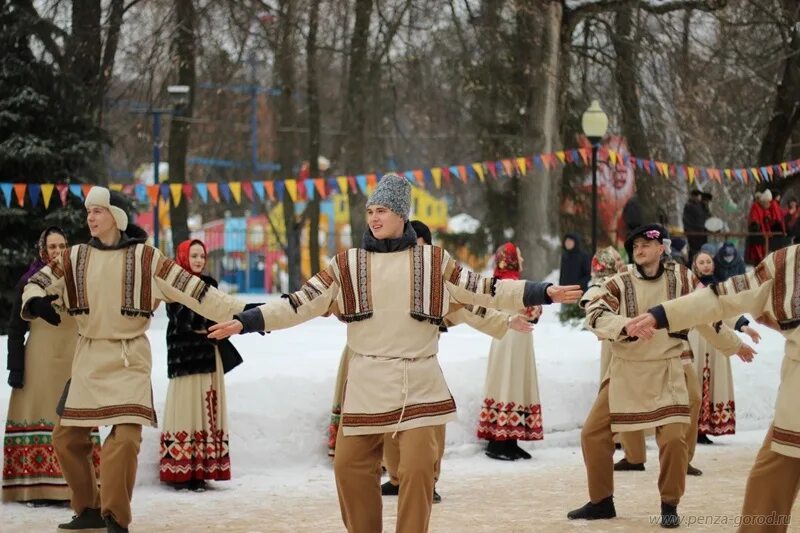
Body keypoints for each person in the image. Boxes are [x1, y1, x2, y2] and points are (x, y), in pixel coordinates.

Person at [209, 173, 581, 533]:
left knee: (418, 470)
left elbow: (484, 289)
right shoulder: (346, 264)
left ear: (402, 215)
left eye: (383, 210)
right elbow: (298, 303)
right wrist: (248, 321)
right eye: (370, 210)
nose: (374, 217)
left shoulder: (435, 262)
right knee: (349, 466)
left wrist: (540, 291)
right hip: (367, 382)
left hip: (419, 381)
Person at [20, 187, 249, 533]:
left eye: (97, 211)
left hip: (130, 359)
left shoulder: (147, 259)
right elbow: (37, 281)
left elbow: (196, 291)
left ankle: (114, 516)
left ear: (116, 216)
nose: (90, 218)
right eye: (88, 212)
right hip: (89, 356)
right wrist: (36, 300)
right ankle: (88, 508)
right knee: (66, 437)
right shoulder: (74, 256)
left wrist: (247, 313)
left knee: (125, 440)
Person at [568, 224, 755, 528]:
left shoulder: (681, 278)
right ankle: (601, 501)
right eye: (635, 246)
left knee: (673, 440)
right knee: (592, 433)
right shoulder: (620, 281)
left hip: (667, 368)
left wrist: (735, 343)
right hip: (627, 369)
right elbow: (595, 313)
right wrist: (625, 326)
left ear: (660, 248)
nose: (639, 250)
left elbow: (707, 310)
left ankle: (669, 504)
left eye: (645, 244)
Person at [625, 245, 800, 533]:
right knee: (770, 478)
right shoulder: (788, 262)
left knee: (770, 474)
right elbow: (723, 298)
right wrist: (664, 314)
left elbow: (723, 302)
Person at [3, 228, 101, 505]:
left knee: (72, 420)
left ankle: (77, 487)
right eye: (52, 247)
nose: (58, 252)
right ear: (43, 251)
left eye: (62, 246)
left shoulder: (79, 283)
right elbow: (14, 329)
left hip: (72, 362)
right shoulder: (29, 282)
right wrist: (16, 368)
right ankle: (35, 487)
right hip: (38, 363)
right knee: (40, 415)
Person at [159, 239, 253, 491]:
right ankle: (182, 470)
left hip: (209, 356)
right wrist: (214, 320)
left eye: (202, 255)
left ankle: (202, 469)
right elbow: (187, 319)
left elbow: (221, 316)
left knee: (207, 411)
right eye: (194, 255)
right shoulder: (174, 285)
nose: (199, 260)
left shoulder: (210, 286)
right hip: (185, 358)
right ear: (183, 257)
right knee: (187, 410)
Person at [478, 243, 544, 461]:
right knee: (512, 382)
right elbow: (534, 310)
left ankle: (506, 440)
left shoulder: (497, 283)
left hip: (505, 339)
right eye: (520, 255)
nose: (522, 259)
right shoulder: (514, 284)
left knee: (506, 383)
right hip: (514, 340)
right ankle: (501, 443)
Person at [690, 252, 760, 445]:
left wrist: (744, 326)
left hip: (717, 341)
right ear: (695, 266)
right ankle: (692, 428)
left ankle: (705, 428)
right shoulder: (688, 287)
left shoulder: (720, 288)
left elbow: (728, 312)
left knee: (713, 379)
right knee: (694, 382)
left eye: (708, 262)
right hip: (695, 340)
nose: (705, 265)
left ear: (713, 265)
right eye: (701, 262)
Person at [683, 189, 708, 261]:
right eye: (696, 196)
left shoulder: (702, 206)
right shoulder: (689, 206)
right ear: (693, 196)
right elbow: (686, 220)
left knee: (703, 251)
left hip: (702, 234)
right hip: (693, 234)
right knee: (694, 252)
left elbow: (706, 217)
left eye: (699, 196)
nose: (698, 198)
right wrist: (689, 232)